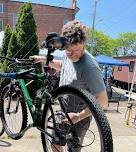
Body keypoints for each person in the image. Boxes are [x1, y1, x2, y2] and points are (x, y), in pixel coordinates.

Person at [30, 20, 108, 152]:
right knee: (55, 144)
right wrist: (43, 59)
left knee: (72, 149)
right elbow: (63, 66)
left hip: (80, 116)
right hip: (63, 110)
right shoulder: (69, 54)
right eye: (68, 51)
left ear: (83, 44)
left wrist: (78, 116)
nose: (72, 54)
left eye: (76, 50)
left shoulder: (90, 67)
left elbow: (103, 102)